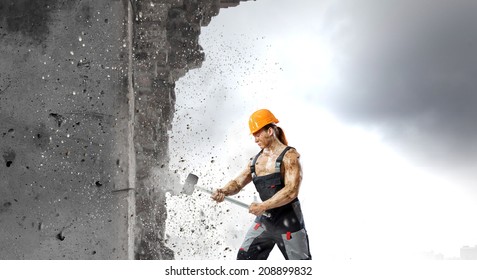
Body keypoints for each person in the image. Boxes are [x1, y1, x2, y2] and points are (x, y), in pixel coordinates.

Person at [211, 109, 312, 260]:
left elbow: (291, 191)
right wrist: (223, 191)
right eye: (254, 136)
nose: (255, 140)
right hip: (266, 219)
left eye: (257, 134)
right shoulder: (255, 161)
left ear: (270, 131)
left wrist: (263, 206)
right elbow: (237, 183)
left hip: (289, 220)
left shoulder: (289, 156)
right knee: (245, 258)